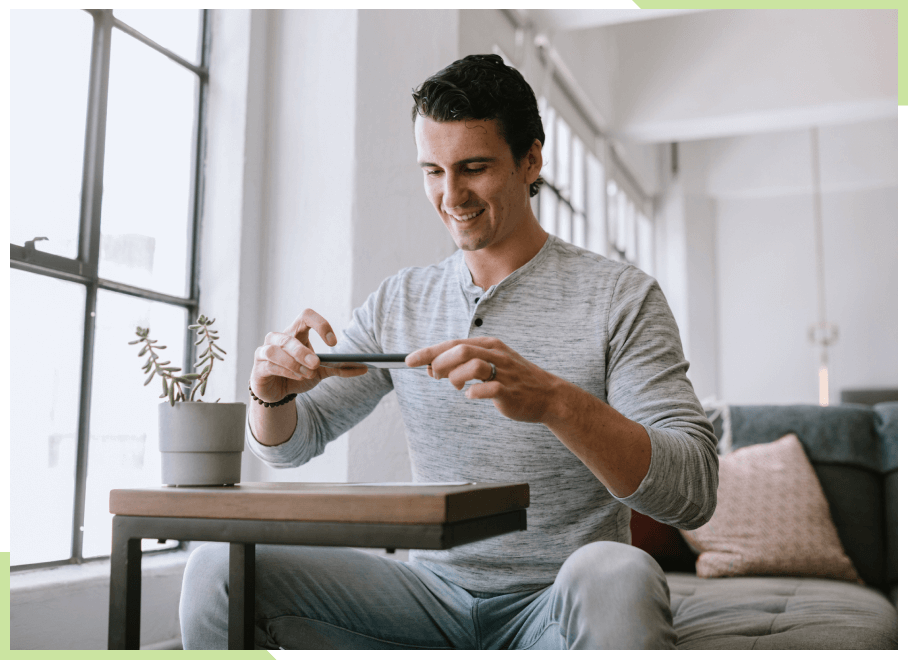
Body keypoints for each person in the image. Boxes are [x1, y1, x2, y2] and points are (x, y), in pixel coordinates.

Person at [179, 54, 718, 650]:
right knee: (215, 569)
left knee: (622, 573)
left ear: (531, 160)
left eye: (474, 167)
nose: (450, 194)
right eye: (432, 170)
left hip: (557, 604)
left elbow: (690, 492)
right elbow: (291, 444)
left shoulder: (622, 297)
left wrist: (554, 402)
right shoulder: (402, 300)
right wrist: (269, 394)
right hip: (430, 600)